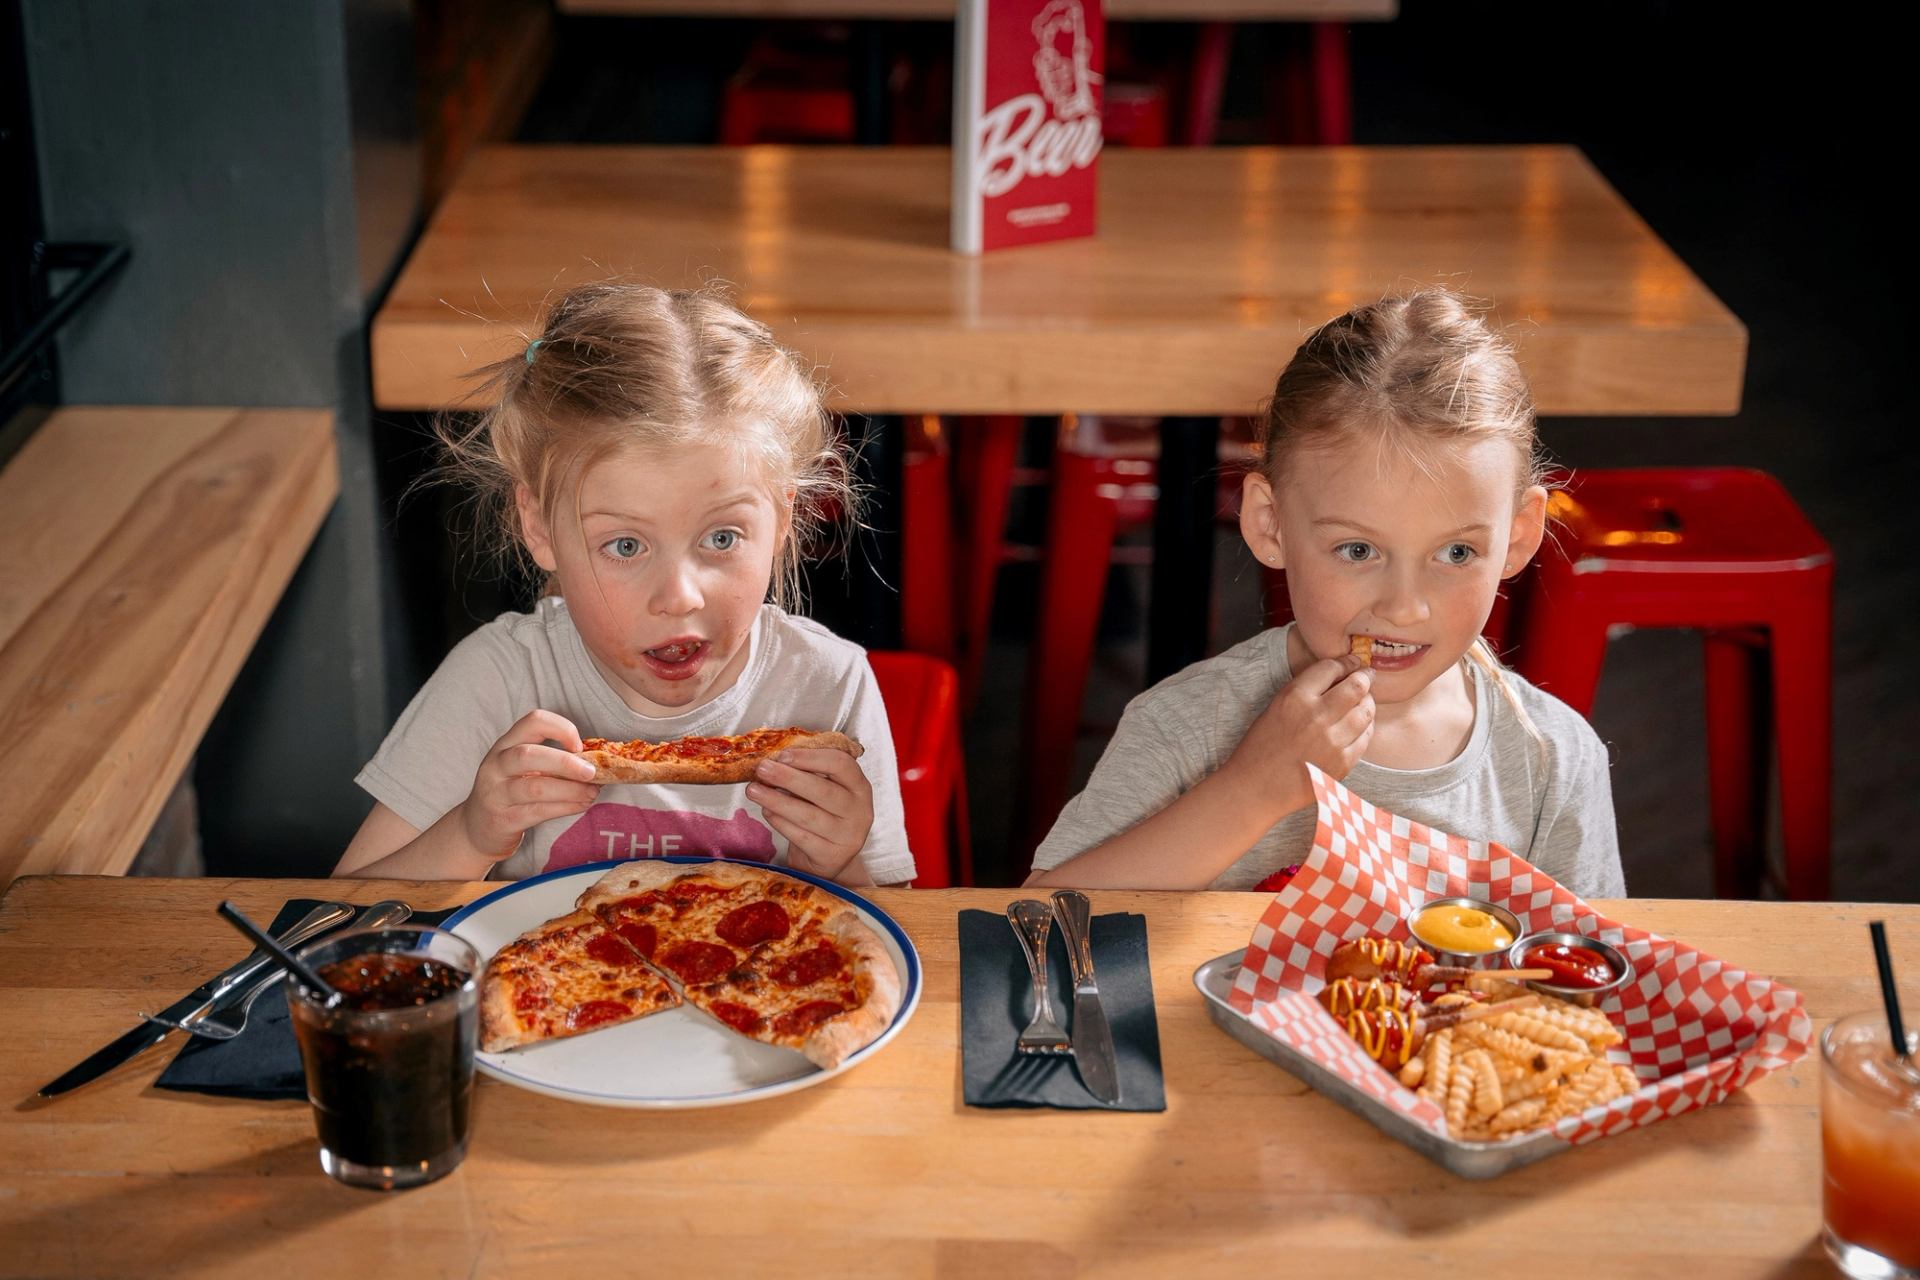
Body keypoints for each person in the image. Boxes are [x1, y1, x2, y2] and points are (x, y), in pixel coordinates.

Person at [1025, 288, 1624, 896]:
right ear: (1269, 523)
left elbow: (1589, 971)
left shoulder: (1553, 761)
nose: (1404, 607)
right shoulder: (1185, 727)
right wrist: (1252, 790)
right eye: (1358, 551)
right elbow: (1036, 932)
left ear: (1518, 537)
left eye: (1456, 553)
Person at [335, 281, 914, 886]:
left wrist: (842, 864)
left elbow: (901, 936)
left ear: (784, 522)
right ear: (539, 528)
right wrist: (472, 833)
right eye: (625, 545)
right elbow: (346, 914)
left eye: (722, 538)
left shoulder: (828, 683)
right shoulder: (499, 677)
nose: (680, 597)